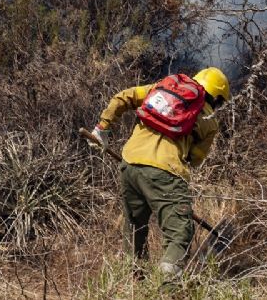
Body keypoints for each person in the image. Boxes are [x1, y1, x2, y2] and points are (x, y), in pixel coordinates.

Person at [88, 67, 230, 278]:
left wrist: (103, 128)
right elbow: (195, 159)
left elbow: (122, 97)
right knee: (179, 233)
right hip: (167, 172)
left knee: (135, 229)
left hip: (130, 164)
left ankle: (134, 281)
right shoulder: (210, 120)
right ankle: (168, 287)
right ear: (217, 98)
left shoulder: (161, 90)